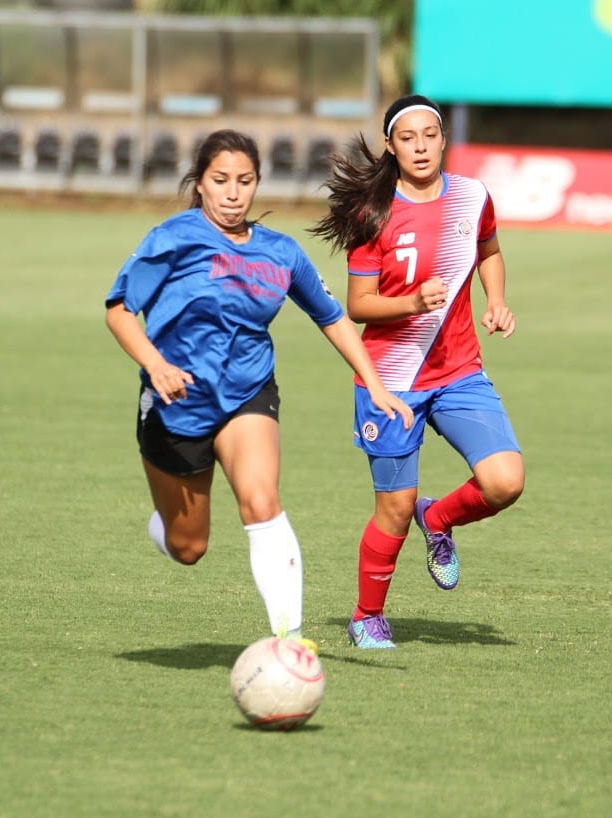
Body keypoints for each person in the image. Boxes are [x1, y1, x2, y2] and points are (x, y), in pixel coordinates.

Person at [104, 128, 413, 644]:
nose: (232, 192)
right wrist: (156, 365)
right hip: (176, 404)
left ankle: (290, 645)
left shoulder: (280, 253)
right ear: (199, 184)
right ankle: (164, 527)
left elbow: (333, 317)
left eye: (244, 181)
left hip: (248, 391)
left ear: (257, 185)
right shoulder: (172, 239)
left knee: (262, 500)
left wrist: (375, 384)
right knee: (189, 546)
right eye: (220, 180)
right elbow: (119, 310)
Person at [310, 95, 525, 649]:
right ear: (391, 145)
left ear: (444, 138)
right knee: (394, 506)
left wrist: (496, 299)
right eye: (408, 138)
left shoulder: (473, 196)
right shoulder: (372, 214)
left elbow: (490, 250)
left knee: (505, 481)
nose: (421, 147)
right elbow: (358, 304)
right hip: (390, 379)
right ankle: (367, 616)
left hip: (459, 371)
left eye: (430, 135)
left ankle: (441, 519)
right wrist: (412, 303)